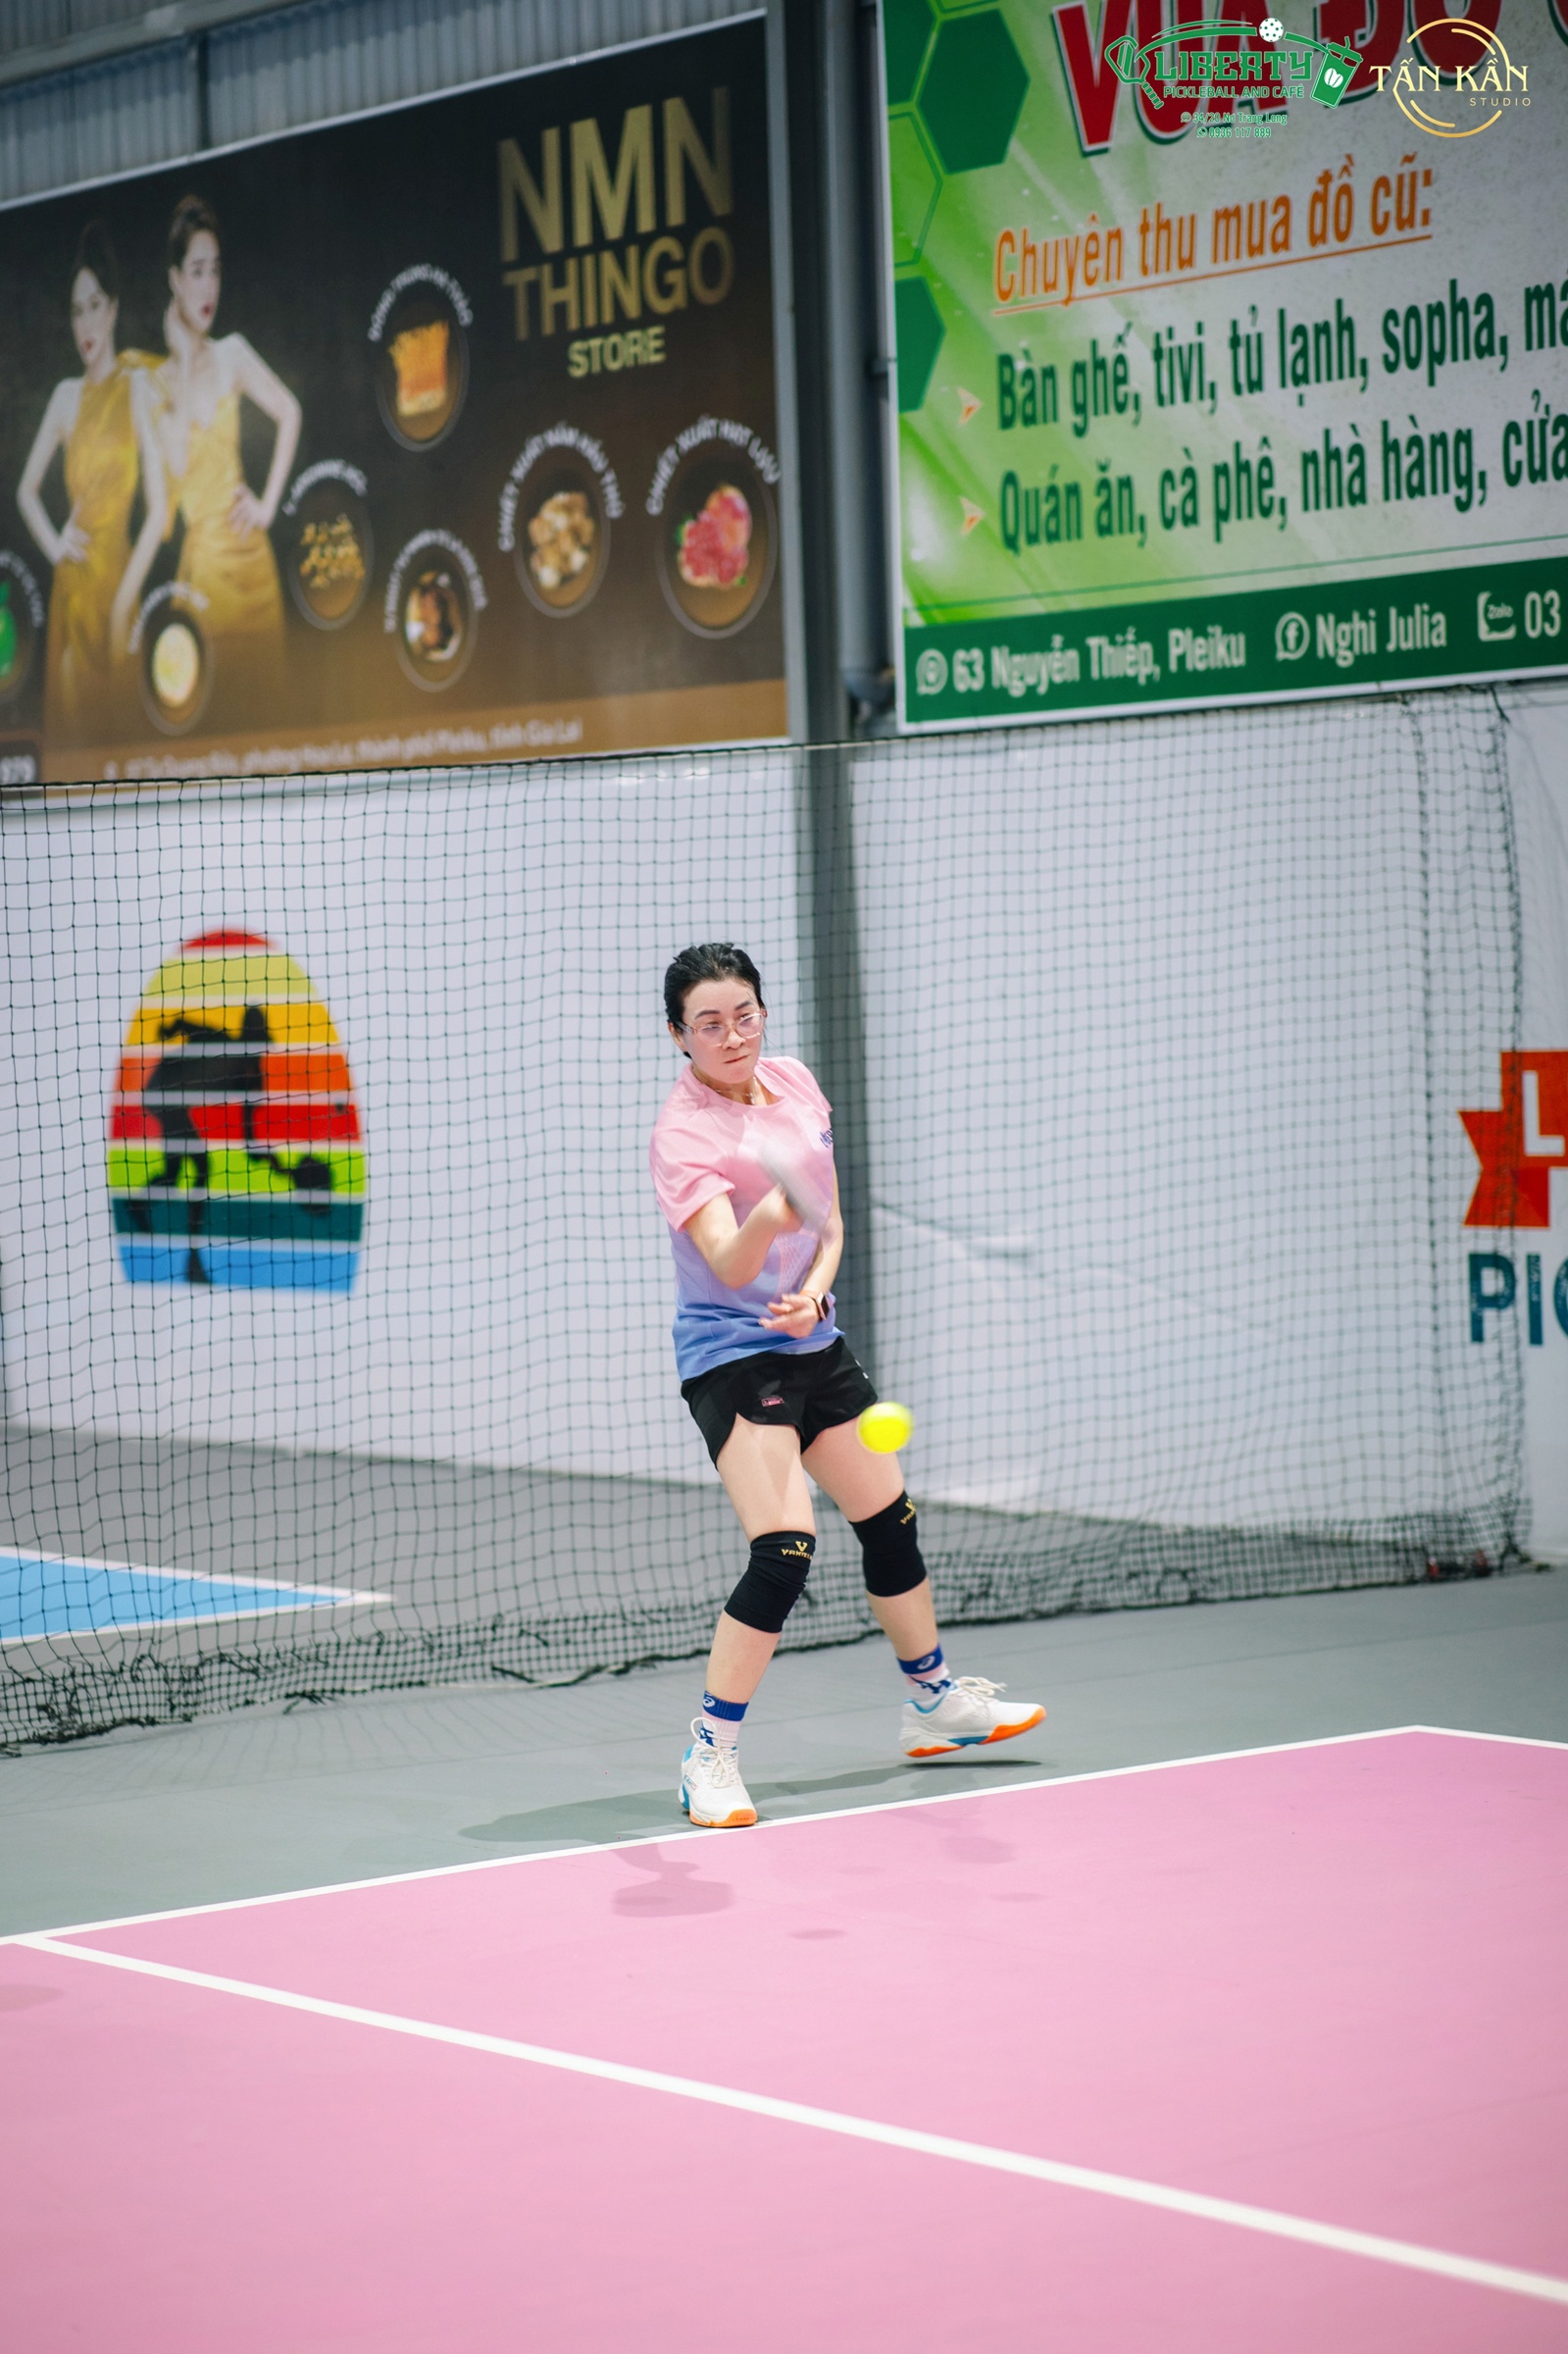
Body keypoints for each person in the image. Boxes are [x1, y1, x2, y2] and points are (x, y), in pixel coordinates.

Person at [651, 943, 1043, 1829]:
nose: (732, 1035)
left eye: (744, 1015)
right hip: (732, 1355)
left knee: (889, 1519)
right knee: (784, 1548)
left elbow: (826, 1223)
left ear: (762, 1013)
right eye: (708, 1023)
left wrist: (817, 1292)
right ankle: (708, 1754)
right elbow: (727, 1261)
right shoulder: (683, 1134)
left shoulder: (794, 1082)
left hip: (812, 1338)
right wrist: (775, 1203)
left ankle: (933, 1703)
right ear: (678, 1034)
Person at [16, 222, 167, 750]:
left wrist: (125, 603)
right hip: (74, 595)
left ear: (114, 309)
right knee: (75, 752)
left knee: (128, 748)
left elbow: (160, 510)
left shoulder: (137, 386)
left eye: (95, 305)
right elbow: (25, 490)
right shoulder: (64, 397)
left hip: (120, 589)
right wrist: (56, 544)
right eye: (77, 310)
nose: (85, 322)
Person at [152, 194, 300, 711]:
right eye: (197, 272)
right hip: (206, 580)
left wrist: (267, 504)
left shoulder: (232, 352)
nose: (209, 286)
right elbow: (174, 471)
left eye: (215, 270)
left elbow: (290, 411)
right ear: (175, 280)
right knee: (214, 715)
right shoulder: (157, 385)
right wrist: (183, 359)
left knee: (268, 711)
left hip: (255, 567)